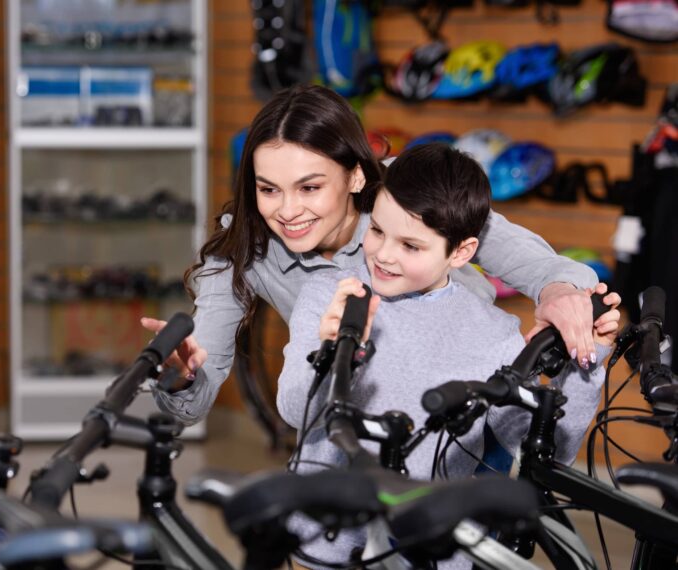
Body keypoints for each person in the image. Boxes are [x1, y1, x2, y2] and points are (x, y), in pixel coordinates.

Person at [143, 84, 600, 426]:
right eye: (268, 189)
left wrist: (560, 293)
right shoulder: (241, 248)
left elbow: (537, 265)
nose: (287, 210)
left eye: (310, 187)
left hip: (464, 411)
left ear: (357, 178)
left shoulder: (410, 190)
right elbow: (194, 401)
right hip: (361, 426)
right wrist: (180, 376)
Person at [275, 143, 621, 568]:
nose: (384, 254)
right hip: (322, 544)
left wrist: (589, 367)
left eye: (411, 246)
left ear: (460, 252)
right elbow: (295, 410)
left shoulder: (495, 336)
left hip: (430, 551)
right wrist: (329, 352)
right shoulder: (329, 296)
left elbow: (546, 451)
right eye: (378, 231)